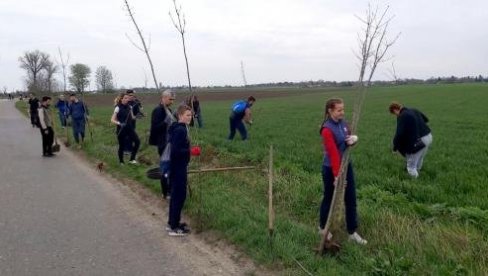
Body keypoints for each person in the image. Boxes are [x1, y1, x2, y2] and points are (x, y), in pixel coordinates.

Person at [318, 98, 367, 245]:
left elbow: (348, 140)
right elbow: (333, 154)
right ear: (330, 111)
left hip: (346, 166)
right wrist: (337, 176)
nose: (342, 112)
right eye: (339, 110)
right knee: (329, 198)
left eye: (343, 109)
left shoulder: (344, 124)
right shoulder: (326, 129)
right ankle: (322, 228)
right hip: (331, 169)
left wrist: (354, 139)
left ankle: (352, 232)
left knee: (350, 199)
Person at [166, 105, 200, 236]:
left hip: (177, 166)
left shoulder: (179, 127)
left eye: (191, 115)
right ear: (180, 116)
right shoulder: (180, 130)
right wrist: (191, 151)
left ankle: (172, 222)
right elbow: (175, 151)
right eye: (187, 115)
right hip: (178, 167)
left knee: (176, 196)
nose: (190, 118)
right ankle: (174, 227)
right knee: (179, 196)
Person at [389, 102, 433, 178]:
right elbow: (426, 119)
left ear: (395, 110)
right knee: (419, 158)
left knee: (411, 166)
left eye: (394, 113)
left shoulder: (402, 116)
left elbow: (399, 134)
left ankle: (415, 184)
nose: (395, 115)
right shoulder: (413, 110)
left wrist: (395, 148)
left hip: (419, 141)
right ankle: (418, 172)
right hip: (428, 136)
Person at [149, 89, 176, 199]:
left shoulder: (168, 110)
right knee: (165, 168)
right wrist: (165, 121)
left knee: (171, 167)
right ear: (164, 98)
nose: (172, 101)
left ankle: (170, 189)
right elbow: (155, 129)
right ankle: (166, 193)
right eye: (170, 99)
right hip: (163, 144)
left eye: (173, 100)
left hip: (170, 143)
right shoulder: (157, 111)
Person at [111, 94, 140, 165]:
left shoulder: (130, 107)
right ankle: (121, 162)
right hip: (121, 129)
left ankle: (132, 159)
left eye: (127, 98)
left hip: (130, 128)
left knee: (137, 142)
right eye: (126, 98)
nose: (128, 99)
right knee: (122, 146)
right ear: (121, 99)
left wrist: (137, 116)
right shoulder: (117, 108)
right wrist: (119, 123)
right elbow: (112, 120)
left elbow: (132, 117)